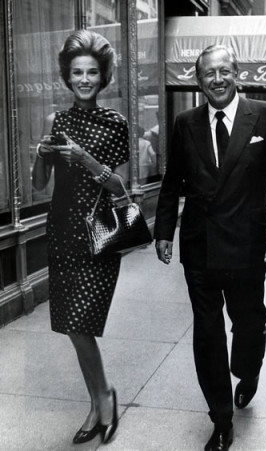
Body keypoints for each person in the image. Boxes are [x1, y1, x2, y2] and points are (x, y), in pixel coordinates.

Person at [154, 44, 266, 451]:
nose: (216, 80)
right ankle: (220, 419)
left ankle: (248, 371)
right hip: (199, 248)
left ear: (237, 73)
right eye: (207, 74)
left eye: (223, 72)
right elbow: (172, 182)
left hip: (248, 248)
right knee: (208, 334)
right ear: (197, 81)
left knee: (248, 325)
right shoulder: (185, 123)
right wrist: (164, 230)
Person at [32, 30, 129, 445]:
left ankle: (104, 397)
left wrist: (86, 159)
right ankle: (99, 401)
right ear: (67, 77)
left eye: (92, 72)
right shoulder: (56, 121)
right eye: (77, 73)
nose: (84, 79)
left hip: (98, 235)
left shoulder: (115, 123)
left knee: (80, 323)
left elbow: (121, 188)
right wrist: (41, 155)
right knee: (74, 327)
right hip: (62, 233)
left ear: (103, 76)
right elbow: (39, 186)